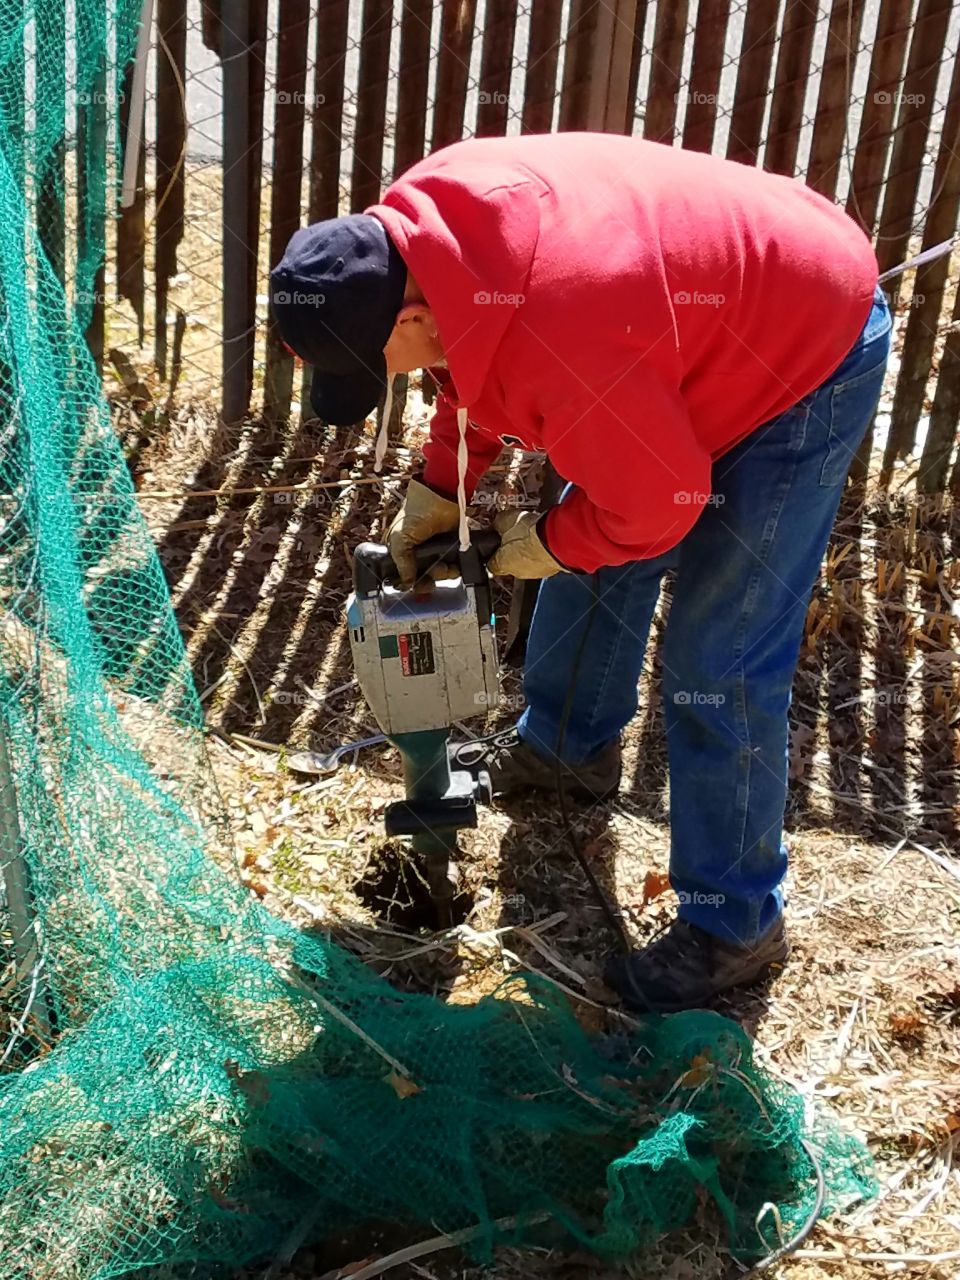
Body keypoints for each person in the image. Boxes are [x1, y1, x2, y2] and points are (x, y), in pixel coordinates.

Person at [270, 132, 891, 1012]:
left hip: (805, 340)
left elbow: (659, 505)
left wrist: (548, 545)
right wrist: (442, 486)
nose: (390, 379)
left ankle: (734, 926)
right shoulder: (427, 234)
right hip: (669, 330)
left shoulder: (565, 326)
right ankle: (566, 749)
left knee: (721, 651)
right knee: (595, 541)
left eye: (377, 365)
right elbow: (472, 360)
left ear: (405, 320)